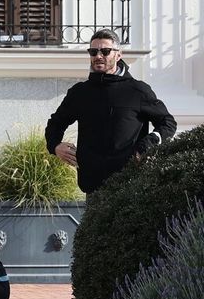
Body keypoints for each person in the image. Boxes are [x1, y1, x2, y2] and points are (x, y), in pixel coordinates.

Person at [45, 29, 176, 194]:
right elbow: (55, 123)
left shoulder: (138, 90)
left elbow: (168, 123)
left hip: (131, 186)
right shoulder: (80, 92)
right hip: (92, 187)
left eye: (105, 51)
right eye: (93, 52)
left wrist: (148, 143)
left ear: (118, 55)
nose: (98, 56)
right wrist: (55, 146)